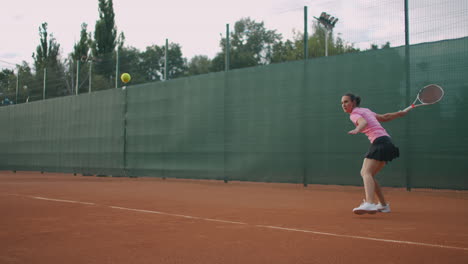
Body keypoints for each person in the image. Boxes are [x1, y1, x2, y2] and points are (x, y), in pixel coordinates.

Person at [341, 93, 408, 215]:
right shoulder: (365, 110)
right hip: (387, 143)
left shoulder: (354, 114)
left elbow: (363, 123)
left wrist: (357, 129)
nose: (343, 105)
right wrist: (399, 114)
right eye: (342, 103)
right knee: (370, 175)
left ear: (354, 102)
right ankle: (383, 205)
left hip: (380, 143)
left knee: (365, 172)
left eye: (346, 102)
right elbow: (385, 117)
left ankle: (370, 203)